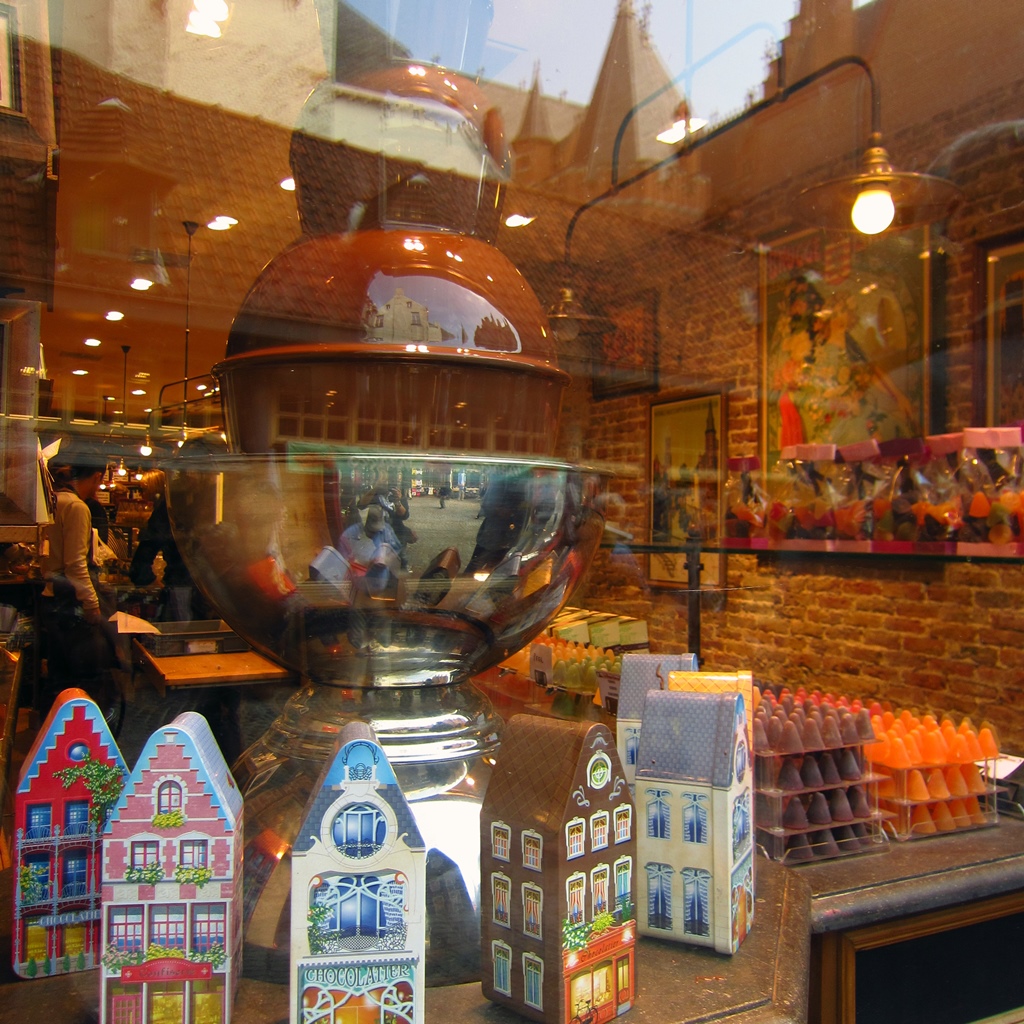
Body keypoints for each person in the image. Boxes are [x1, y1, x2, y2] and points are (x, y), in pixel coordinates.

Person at [39, 457, 121, 726]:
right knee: (86, 681)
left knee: (59, 680)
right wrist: (92, 605)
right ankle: (82, 740)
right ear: (97, 477)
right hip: (70, 607)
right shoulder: (76, 507)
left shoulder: (53, 501)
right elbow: (76, 565)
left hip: (52, 601)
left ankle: (54, 738)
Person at [129, 491, 211, 621]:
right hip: (184, 590)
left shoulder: (215, 495)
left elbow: (141, 564)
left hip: (199, 590)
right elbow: (140, 566)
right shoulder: (176, 501)